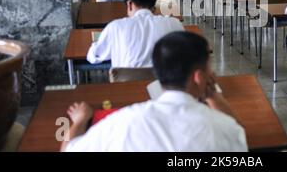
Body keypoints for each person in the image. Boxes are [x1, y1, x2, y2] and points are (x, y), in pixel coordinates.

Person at [62, 32, 247, 152]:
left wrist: (79, 121)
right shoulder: (223, 128)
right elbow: (239, 135)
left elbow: (68, 149)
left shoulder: (123, 123)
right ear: (199, 77)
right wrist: (212, 95)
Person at [88, 0, 184, 68]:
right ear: (154, 8)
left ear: (129, 4)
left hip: (126, 86)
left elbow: (95, 55)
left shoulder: (115, 27)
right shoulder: (174, 24)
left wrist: (95, 44)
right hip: (165, 85)